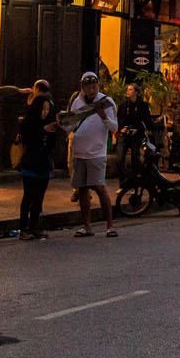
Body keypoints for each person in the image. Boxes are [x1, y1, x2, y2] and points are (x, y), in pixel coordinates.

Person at [66, 71, 119, 238]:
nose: (91, 90)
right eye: (88, 87)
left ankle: (109, 226)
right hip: (79, 151)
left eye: (94, 86)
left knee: (100, 188)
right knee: (82, 190)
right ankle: (87, 226)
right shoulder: (77, 102)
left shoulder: (106, 102)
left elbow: (114, 128)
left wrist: (103, 117)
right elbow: (71, 124)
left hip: (96, 153)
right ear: (83, 87)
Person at [14, 79, 58, 240]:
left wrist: (51, 132)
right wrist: (42, 130)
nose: (45, 111)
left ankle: (34, 226)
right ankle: (23, 228)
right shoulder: (29, 123)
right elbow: (28, 139)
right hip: (31, 162)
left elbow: (51, 146)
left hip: (43, 163)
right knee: (28, 196)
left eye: (47, 109)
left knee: (39, 197)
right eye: (43, 108)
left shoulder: (49, 123)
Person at [117, 83, 153, 180]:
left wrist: (137, 129)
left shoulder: (143, 105)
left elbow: (148, 122)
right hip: (124, 134)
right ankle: (123, 181)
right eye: (127, 89)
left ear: (136, 92)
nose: (128, 91)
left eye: (130, 89)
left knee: (135, 158)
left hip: (137, 135)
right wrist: (122, 128)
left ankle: (134, 181)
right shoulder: (123, 105)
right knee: (119, 159)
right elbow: (118, 120)